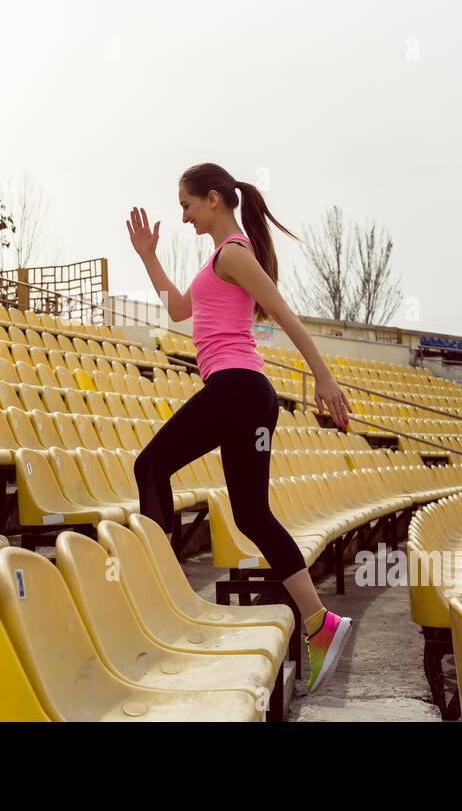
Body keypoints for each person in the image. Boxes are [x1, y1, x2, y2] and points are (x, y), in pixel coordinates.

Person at [125, 162, 357, 694]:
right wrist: (148, 257)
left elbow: (285, 314)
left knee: (150, 465)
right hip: (245, 395)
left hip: (236, 389)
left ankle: (162, 602)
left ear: (212, 199)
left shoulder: (234, 254)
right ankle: (318, 623)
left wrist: (324, 378)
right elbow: (179, 310)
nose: (182, 216)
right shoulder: (220, 258)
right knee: (252, 513)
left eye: (186, 205)